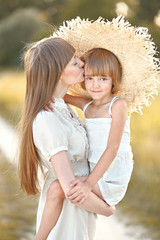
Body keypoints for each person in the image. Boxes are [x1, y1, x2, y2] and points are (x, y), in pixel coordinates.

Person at [18, 37, 114, 240]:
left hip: (80, 205)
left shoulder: (61, 107)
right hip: (67, 208)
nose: (82, 63)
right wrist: (107, 209)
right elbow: (70, 187)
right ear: (56, 73)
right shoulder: (48, 118)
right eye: (73, 62)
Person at [36, 47, 134, 240]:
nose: (95, 85)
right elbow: (58, 94)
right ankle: (41, 237)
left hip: (111, 175)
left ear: (114, 79)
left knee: (58, 188)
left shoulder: (118, 105)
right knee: (56, 188)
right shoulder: (87, 105)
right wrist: (45, 100)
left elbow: (112, 148)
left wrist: (89, 184)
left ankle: (107, 209)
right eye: (89, 78)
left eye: (103, 79)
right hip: (94, 172)